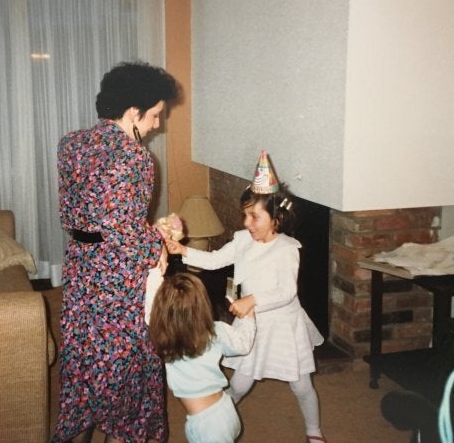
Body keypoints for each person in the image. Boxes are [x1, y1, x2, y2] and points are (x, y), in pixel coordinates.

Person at [54, 61, 180, 443]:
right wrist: (158, 243)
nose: (157, 124)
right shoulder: (136, 158)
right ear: (133, 112)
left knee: (83, 368)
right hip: (116, 280)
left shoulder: (70, 143)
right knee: (128, 377)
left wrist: (147, 233)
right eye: (156, 115)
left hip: (80, 266)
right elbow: (124, 231)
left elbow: (87, 214)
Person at [165, 151, 327, 443]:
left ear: (277, 218)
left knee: (301, 384)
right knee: (240, 382)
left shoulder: (287, 248)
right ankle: (219, 417)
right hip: (252, 325)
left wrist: (252, 299)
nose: (247, 222)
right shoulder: (242, 240)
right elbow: (215, 259)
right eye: (245, 215)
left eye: (254, 216)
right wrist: (184, 251)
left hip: (282, 325)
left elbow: (286, 291)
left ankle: (314, 432)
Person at [148, 273, 256, 443]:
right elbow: (244, 344)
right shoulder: (215, 331)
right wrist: (249, 315)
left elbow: (150, 304)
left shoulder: (163, 336)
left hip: (206, 425)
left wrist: (157, 269)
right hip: (225, 409)